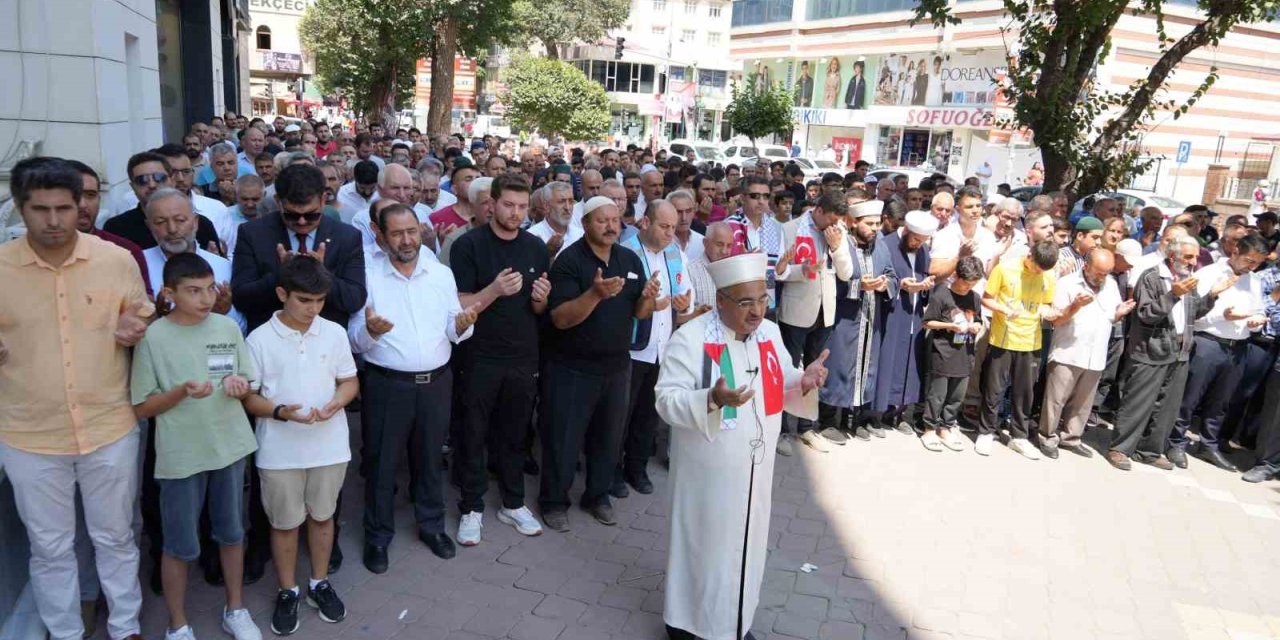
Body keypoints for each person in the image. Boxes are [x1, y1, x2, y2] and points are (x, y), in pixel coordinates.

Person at [1, 157, 151, 640]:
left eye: (63, 207)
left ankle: (125, 625)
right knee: (49, 547)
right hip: (28, 435)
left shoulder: (115, 260)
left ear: (82, 205)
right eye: (39, 208)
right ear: (20, 208)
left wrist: (137, 328)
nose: (53, 220)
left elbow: (141, 314)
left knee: (116, 537)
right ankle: (65, 632)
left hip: (109, 426)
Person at [655, 251, 828, 640]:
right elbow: (665, 400)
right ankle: (687, 625)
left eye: (763, 299)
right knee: (705, 546)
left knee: (746, 548)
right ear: (720, 301)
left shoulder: (769, 333)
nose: (757, 311)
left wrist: (804, 380)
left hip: (755, 470)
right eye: (745, 302)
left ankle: (735, 623)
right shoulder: (692, 338)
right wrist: (711, 400)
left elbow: (780, 381)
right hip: (707, 472)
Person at [130, 253, 262, 640]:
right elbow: (142, 405)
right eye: (193, 291)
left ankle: (235, 609)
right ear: (169, 294)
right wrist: (180, 392)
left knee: (232, 533)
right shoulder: (153, 336)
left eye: (209, 289)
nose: (206, 299)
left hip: (230, 448)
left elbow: (247, 381)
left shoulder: (226, 327)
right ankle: (177, 623)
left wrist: (240, 387)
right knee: (178, 544)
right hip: (181, 456)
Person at [349, 204, 480, 570]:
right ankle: (377, 537)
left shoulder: (439, 274)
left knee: (429, 459)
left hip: (437, 384)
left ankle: (432, 526)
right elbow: (355, 340)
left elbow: (454, 331)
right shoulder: (369, 276)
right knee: (381, 464)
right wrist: (369, 332)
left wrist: (465, 323)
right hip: (388, 386)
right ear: (380, 234)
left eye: (412, 231)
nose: (407, 240)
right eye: (397, 233)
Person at [241, 256, 355, 635]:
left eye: (320, 301)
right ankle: (288, 589)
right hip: (279, 450)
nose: (313, 309)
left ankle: (318, 583)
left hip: (329, 445)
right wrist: (279, 412)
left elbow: (349, 381)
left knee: (323, 517)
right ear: (281, 294)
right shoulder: (258, 338)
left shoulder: (335, 333)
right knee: (284, 523)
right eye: (304, 300)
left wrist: (339, 401)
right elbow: (250, 398)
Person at [539, 196, 662, 531]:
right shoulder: (570, 261)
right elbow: (561, 319)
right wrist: (594, 294)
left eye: (615, 220)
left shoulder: (628, 257)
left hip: (617, 367)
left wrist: (649, 296)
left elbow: (639, 312)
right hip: (572, 368)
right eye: (601, 220)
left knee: (608, 440)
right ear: (585, 224)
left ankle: (597, 497)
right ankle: (553, 502)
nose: (610, 226)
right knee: (563, 441)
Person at [448, 175, 551, 545]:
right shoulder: (468, 246)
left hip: (523, 355)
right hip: (479, 356)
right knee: (473, 432)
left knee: (515, 434)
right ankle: (471, 507)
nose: (516, 213)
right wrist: (494, 290)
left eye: (523, 207)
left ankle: (513, 501)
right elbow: (458, 304)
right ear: (491, 204)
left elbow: (539, 308)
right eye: (509, 205)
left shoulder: (536, 247)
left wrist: (541, 296)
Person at [1107, 235, 1234, 471]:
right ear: (1173, 256)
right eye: (1188, 256)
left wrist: (1212, 296)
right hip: (1151, 349)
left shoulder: (1188, 280)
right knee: (1138, 402)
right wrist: (1172, 294)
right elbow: (1145, 314)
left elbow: (1193, 313)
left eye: (1195, 257)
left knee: (1167, 407)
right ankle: (1120, 448)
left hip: (1179, 351)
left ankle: (1150, 450)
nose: (1193, 261)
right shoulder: (1153, 277)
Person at [1167, 234, 1268, 471]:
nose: (1252, 267)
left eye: (1258, 263)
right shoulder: (1209, 274)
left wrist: (1256, 321)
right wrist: (1222, 316)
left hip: (1238, 346)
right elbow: (1192, 311)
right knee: (1190, 396)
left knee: (1221, 401)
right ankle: (1176, 441)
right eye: (1249, 260)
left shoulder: (1254, 281)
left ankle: (1208, 444)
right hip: (1208, 342)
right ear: (1235, 252)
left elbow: (1260, 311)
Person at [615, 200, 694, 497]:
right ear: (645, 223)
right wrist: (646, 303)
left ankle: (637, 468)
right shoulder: (626, 251)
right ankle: (613, 472)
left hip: (663, 346)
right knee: (620, 416)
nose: (670, 234)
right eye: (664, 227)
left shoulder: (675, 252)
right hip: (631, 348)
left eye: (673, 228)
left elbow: (686, 291)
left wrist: (685, 303)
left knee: (648, 414)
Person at [231, 164, 367, 332]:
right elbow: (241, 298)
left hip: (326, 342)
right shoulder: (253, 234)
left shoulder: (347, 237)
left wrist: (320, 274)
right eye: (292, 215)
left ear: (324, 200)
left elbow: (355, 299)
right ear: (278, 202)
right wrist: (281, 274)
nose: (302, 221)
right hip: (270, 339)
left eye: (311, 214)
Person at [774, 191, 853, 451]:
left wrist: (838, 247)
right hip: (796, 312)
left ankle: (807, 427)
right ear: (818, 210)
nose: (832, 226)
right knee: (790, 370)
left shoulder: (837, 231)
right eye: (829, 219)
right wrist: (802, 271)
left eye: (837, 221)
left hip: (824, 312)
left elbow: (846, 272)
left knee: (815, 371)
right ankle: (784, 430)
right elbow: (780, 271)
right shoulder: (791, 228)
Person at [1038, 249, 1134, 459]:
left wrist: (1120, 313)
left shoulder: (1110, 285)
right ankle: (1047, 436)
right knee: (1056, 399)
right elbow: (1057, 320)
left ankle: (1071, 438)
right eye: (1099, 272)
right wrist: (1075, 305)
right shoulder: (1067, 284)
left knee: (1083, 402)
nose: (1103, 277)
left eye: (1107, 273)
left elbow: (1111, 316)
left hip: (1096, 353)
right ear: (1086, 266)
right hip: (1068, 351)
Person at [819, 199, 896, 443]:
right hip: (844, 320)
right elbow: (832, 282)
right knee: (838, 368)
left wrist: (885, 285)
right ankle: (828, 421)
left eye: (877, 223)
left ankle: (856, 420)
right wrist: (858, 286)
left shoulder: (881, 247)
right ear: (854, 222)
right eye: (869, 224)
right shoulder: (842, 245)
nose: (874, 228)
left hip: (871, 320)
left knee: (866, 368)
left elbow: (893, 275)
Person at [977, 241, 1060, 458]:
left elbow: (1047, 303)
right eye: (1036, 268)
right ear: (1030, 255)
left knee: (1025, 392)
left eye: (1043, 271)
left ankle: (1019, 437)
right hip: (1003, 337)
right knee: (994, 388)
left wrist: (1047, 311)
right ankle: (986, 431)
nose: (1038, 273)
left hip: (1031, 340)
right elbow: (986, 299)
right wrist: (1003, 309)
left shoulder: (1047, 275)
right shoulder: (1004, 268)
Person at [140, 188, 245, 332]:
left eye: (180, 220)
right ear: (149, 226)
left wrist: (225, 311)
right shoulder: (138, 265)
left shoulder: (222, 267)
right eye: (160, 222)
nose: (172, 229)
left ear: (195, 222)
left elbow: (241, 330)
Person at [873, 209, 938, 434]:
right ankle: (875, 415)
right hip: (891, 313)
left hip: (914, 314)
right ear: (906, 231)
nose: (918, 245)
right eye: (915, 239)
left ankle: (898, 414)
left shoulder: (923, 250)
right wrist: (901, 285)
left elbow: (924, 274)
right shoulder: (887, 244)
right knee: (887, 362)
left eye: (922, 241)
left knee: (908, 363)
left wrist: (925, 286)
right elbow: (881, 277)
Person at [920, 256, 984, 451]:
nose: (967, 288)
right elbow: (927, 322)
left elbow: (979, 320)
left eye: (973, 284)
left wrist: (976, 327)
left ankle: (946, 427)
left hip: (965, 354)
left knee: (957, 396)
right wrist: (950, 326)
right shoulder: (942, 294)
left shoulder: (974, 297)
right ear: (956, 276)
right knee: (937, 394)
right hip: (943, 352)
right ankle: (929, 428)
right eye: (965, 283)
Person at [105, 151, 221, 252]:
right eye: (142, 180)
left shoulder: (200, 224)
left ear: (171, 180)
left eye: (159, 177)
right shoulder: (116, 228)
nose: (151, 185)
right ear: (133, 186)